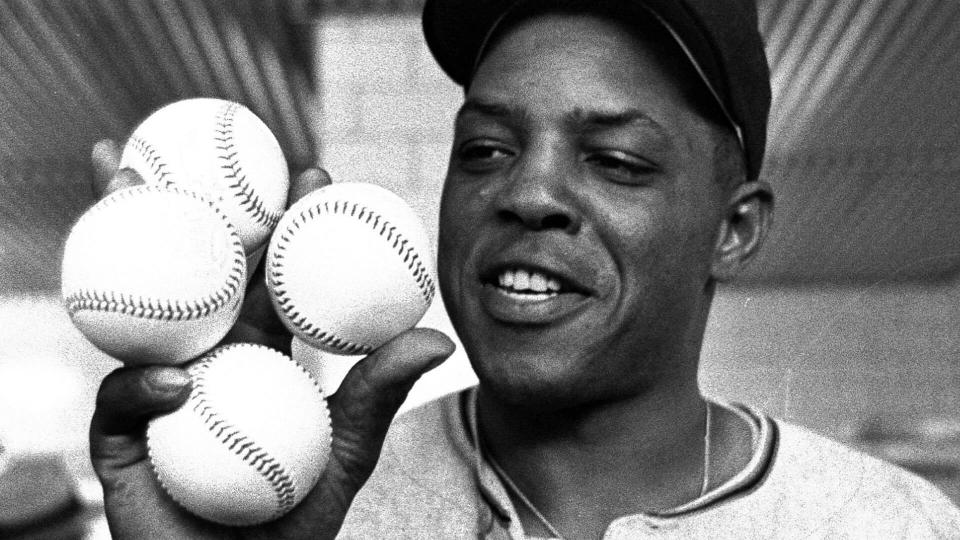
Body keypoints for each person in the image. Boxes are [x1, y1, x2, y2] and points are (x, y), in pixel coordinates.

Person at [88, 0, 960, 538]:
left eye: (616, 159)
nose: (527, 191)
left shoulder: (891, 524)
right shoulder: (320, 509)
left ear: (734, 229)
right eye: (486, 149)